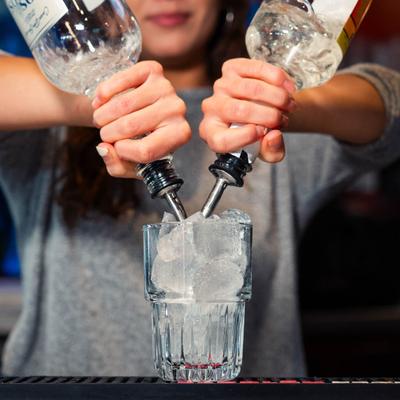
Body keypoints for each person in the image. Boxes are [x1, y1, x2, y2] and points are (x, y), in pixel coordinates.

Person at [0, 0, 399, 377]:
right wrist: (100, 101)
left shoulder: (288, 135)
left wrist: (281, 101)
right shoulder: (46, 130)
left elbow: (391, 106)